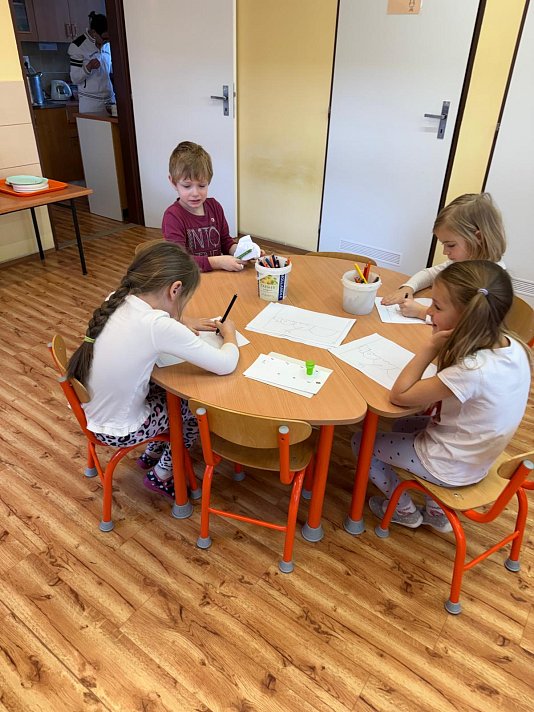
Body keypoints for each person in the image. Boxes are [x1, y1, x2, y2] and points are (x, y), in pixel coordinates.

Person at [353, 260, 531, 533]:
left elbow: (400, 395)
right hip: (478, 455)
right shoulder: (514, 346)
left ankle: (403, 510)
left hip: (450, 466)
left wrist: (430, 347)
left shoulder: (472, 370)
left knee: (360, 441)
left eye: (436, 306)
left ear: (467, 317)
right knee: (403, 423)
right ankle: (437, 512)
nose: (429, 312)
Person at [67, 241, 239, 499]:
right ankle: (163, 474)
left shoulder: (116, 299)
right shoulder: (156, 325)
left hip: (91, 412)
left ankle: (153, 451)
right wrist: (230, 334)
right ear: (175, 289)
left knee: (167, 390)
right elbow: (225, 364)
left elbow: (154, 327)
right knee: (195, 409)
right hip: (120, 430)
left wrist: (181, 322)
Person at [381, 193, 507, 321]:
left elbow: (471, 323)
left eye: (451, 245)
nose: (445, 252)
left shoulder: (491, 279)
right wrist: (408, 287)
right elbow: (430, 274)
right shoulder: (461, 262)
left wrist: (422, 312)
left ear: (478, 237)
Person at [162, 141, 247, 273]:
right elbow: (179, 260)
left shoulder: (214, 207)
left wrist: (244, 252)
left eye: (202, 185)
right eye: (187, 186)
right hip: (191, 279)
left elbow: (226, 242)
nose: (195, 193)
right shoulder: (173, 216)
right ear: (173, 182)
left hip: (217, 276)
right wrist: (218, 262)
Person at [68, 11, 115, 114]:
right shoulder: (77, 46)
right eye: (104, 38)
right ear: (94, 32)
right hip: (91, 103)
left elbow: (109, 68)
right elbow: (75, 79)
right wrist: (88, 67)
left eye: (109, 39)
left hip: (110, 99)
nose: (107, 41)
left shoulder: (107, 44)